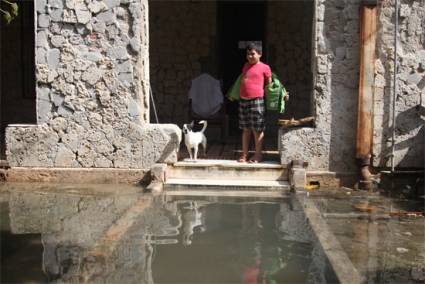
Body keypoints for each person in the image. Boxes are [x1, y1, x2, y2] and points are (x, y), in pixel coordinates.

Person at [238, 42, 272, 163]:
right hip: (243, 100)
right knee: (245, 129)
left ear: (260, 54)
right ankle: (244, 154)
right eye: (248, 54)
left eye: (252, 54)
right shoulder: (246, 66)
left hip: (257, 100)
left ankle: (258, 155)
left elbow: (270, 86)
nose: (249, 56)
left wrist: (279, 96)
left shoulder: (265, 67)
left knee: (257, 129)